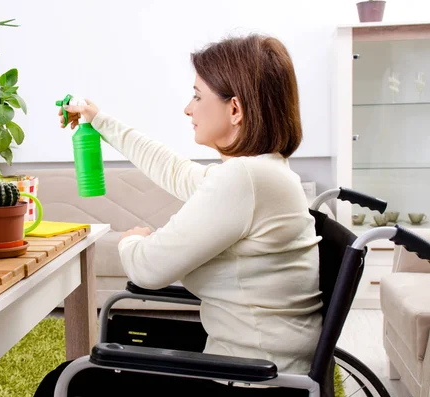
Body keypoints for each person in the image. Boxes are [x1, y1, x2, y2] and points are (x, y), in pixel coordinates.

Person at [35, 33, 323, 397]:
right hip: (262, 370)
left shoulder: (245, 179)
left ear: (235, 110)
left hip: (249, 380)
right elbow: (174, 170)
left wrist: (133, 240)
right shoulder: (265, 173)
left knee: (63, 381)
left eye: (198, 96)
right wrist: (101, 121)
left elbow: (148, 269)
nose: (188, 108)